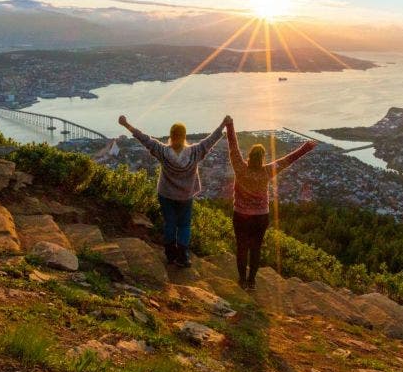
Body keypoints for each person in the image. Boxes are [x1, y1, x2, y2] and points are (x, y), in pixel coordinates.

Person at [119, 115, 230, 267]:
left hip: (166, 195)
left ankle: (170, 255)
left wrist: (126, 125)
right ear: (185, 136)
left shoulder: (163, 152)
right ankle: (183, 256)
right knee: (184, 225)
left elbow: (144, 139)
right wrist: (223, 124)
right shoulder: (195, 152)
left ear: (171, 136)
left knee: (170, 223)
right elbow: (211, 140)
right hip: (185, 196)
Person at [224, 117, 317, 290]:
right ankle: (252, 282)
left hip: (241, 215)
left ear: (250, 156)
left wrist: (230, 125)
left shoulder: (240, 167)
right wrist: (307, 147)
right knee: (256, 249)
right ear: (262, 158)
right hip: (260, 217)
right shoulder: (267, 170)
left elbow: (233, 146)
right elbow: (289, 159)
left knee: (242, 247)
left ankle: (242, 281)